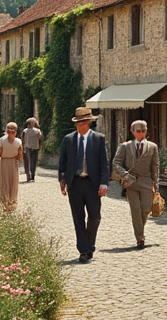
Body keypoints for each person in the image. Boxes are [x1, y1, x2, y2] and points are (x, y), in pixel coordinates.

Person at [57, 106, 109, 263]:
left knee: (95, 216)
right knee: (78, 218)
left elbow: (104, 163)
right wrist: (62, 179)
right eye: (77, 124)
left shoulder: (98, 139)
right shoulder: (68, 140)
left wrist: (104, 183)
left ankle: (89, 243)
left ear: (88, 123)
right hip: (75, 183)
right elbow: (63, 162)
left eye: (82, 123)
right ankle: (83, 250)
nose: (80, 126)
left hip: (92, 184)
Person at [112, 120, 159, 249]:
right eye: (138, 131)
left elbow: (155, 166)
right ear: (132, 132)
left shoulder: (152, 147)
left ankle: (140, 229)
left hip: (146, 181)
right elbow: (116, 163)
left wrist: (156, 184)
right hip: (130, 182)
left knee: (146, 209)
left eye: (144, 130)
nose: (141, 133)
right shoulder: (125, 147)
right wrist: (125, 176)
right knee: (135, 211)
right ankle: (140, 237)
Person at [0, 122, 23, 212]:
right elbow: (20, 157)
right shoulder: (16, 142)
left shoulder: (4, 141)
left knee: (9, 184)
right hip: (10, 163)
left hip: (8, 162)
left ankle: (8, 204)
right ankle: (9, 205)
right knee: (9, 183)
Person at [22, 118, 43, 182]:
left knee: (28, 162)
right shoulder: (38, 131)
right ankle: (32, 176)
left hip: (27, 147)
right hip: (35, 147)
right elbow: (40, 138)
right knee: (33, 162)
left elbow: (23, 140)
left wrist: (23, 147)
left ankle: (29, 176)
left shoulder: (25, 131)